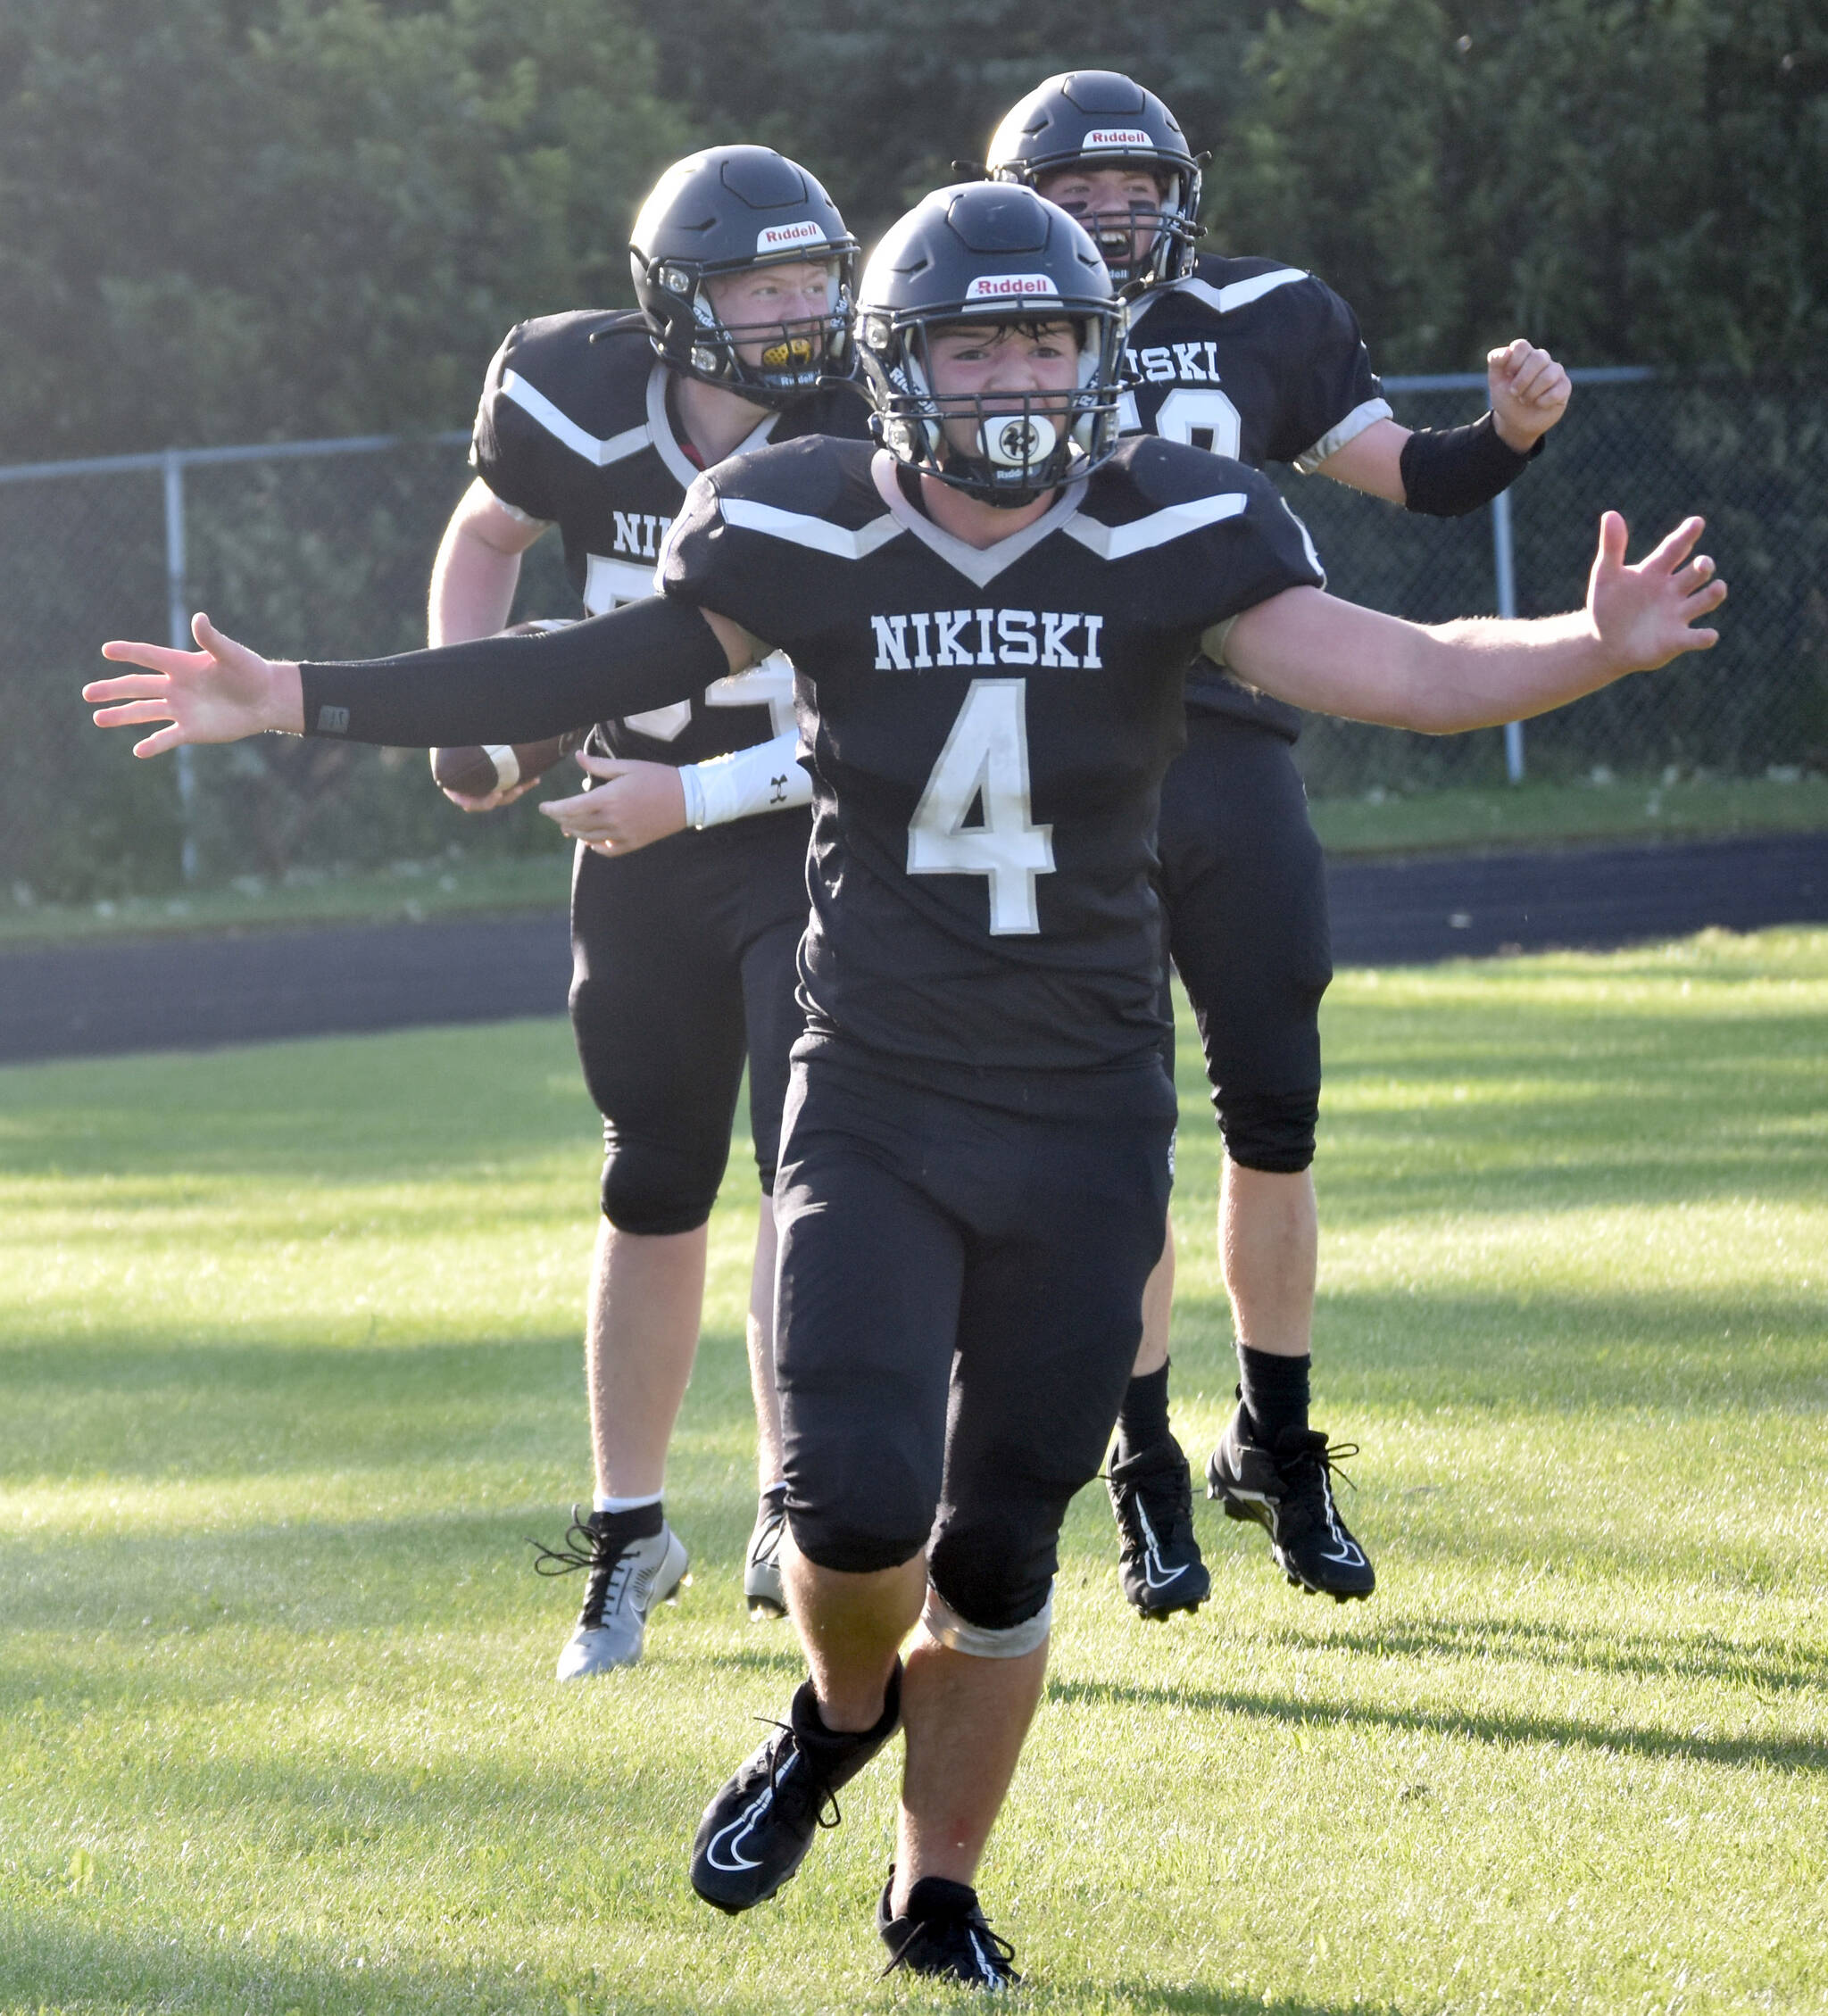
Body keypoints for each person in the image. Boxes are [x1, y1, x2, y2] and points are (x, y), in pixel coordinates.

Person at [88, 182, 1722, 1987]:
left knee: (1007, 1545)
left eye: (1044, 334)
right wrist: (301, 694)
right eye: (974, 338)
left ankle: (933, 1888)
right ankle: (838, 1706)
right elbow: (584, 662)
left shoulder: (1179, 519)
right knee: (857, 1511)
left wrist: (1591, 646)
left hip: (1089, 1109)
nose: (1016, 371)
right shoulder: (797, 521)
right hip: (871, 1088)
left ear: (1099, 351)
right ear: (895, 364)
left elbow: (1408, 671)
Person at [982, 70, 1573, 1614]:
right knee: (1116, 1135)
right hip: (1067, 755)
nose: (1114, 212)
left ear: (1187, 189)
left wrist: (1503, 435)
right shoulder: (986, 332)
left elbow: (1423, 478)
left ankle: (1278, 1443)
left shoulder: (1270, 314)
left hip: (1232, 740)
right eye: (1079, 187)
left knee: (1275, 1113)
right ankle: (1144, 1468)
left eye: (1137, 184)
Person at [427, 144, 871, 1676]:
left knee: (801, 1171)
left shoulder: (868, 432)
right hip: (636, 853)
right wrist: (471, 710)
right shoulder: (567, 395)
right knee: (648, 1181)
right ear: (680, 302)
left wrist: (688, 797)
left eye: (819, 276)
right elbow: (483, 536)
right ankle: (630, 1530)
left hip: (802, 836)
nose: (805, 309)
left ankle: (784, 1504)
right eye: (768, 285)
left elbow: (886, 710)